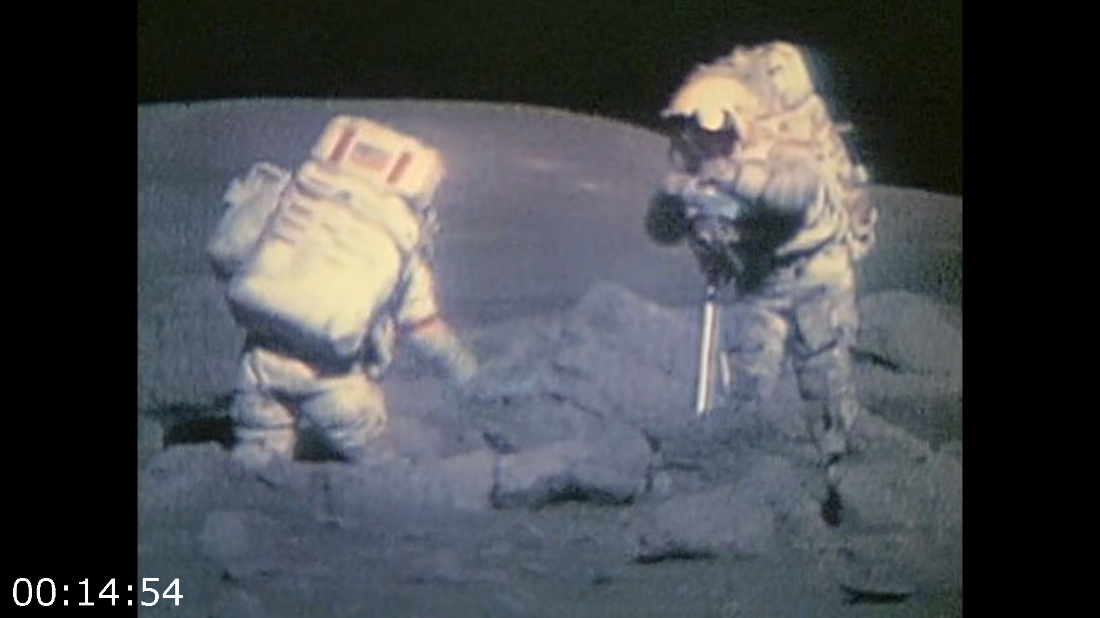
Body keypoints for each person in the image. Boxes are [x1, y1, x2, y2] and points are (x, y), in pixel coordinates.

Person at [648, 42, 877, 480]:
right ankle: (740, 468)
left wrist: (734, 177)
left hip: (815, 275)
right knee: (749, 377)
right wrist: (670, 201)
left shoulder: (785, 151)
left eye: (708, 130)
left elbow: (792, 196)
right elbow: (661, 232)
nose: (700, 142)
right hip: (761, 282)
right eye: (691, 132)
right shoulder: (699, 171)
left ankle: (839, 468)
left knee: (823, 373)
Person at [207, 115, 477, 468]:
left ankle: (253, 473)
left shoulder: (290, 198)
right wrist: (467, 372)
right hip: (334, 384)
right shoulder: (399, 249)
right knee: (378, 464)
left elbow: (227, 251)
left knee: (259, 453)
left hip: (259, 369)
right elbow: (424, 329)